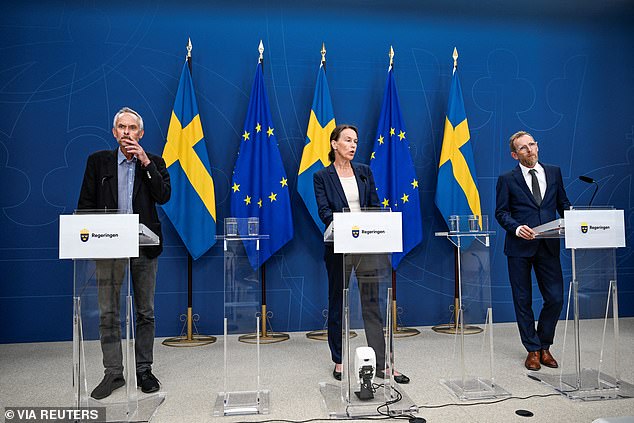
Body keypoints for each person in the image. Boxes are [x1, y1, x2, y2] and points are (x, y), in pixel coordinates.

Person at [77, 107, 171, 399]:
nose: (127, 132)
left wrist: (145, 162)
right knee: (109, 312)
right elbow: (85, 204)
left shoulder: (154, 161)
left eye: (132, 128)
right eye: (122, 127)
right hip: (108, 245)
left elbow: (164, 196)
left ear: (141, 134)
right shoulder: (98, 162)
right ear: (114, 132)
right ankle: (113, 373)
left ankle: (144, 369)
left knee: (145, 312)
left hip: (144, 245)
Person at [313, 124, 409, 384]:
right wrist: (347, 222)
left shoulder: (365, 172)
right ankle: (339, 360)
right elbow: (323, 212)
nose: (353, 145)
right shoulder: (322, 176)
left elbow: (375, 206)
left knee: (372, 305)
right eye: (347, 140)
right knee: (338, 303)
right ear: (334, 144)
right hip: (339, 248)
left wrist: (368, 222)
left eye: (356, 140)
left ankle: (383, 363)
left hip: (368, 247)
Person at [495, 131, 571, 371]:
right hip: (519, 248)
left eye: (532, 145)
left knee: (555, 298)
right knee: (523, 300)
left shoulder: (554, 172)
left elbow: (563, 204)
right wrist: (517, 228)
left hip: (548, 245)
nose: (530, 150)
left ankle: (544, 344)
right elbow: (501, 212)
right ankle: (532, 350)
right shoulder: (507, 179)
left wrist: (577, 220)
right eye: (523, 148)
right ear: (514, 155)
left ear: (537, 146)